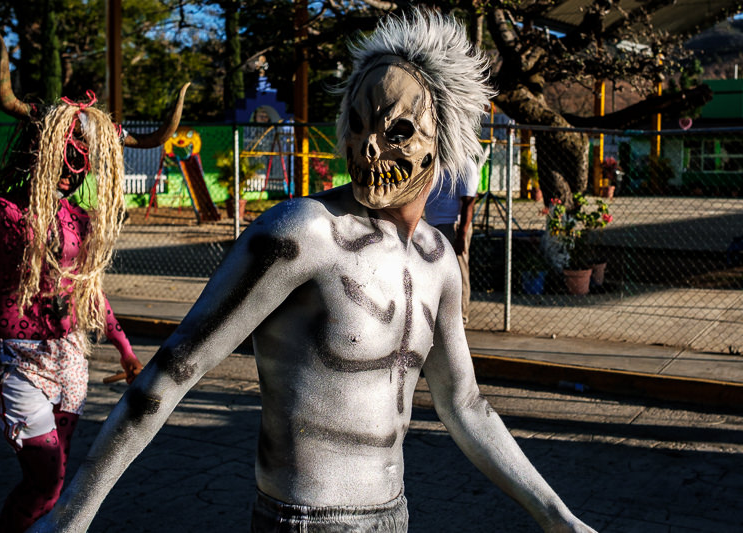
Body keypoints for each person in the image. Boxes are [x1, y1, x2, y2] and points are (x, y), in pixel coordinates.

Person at [31, 10, 595, 533]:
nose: (369, 147)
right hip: (303, 520)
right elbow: (175, 371)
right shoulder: (303, 232)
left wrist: (556, 516)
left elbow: (465, 405)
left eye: (397, 131)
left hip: (392, 516)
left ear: (441, 142)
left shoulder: (437, 260)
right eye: (356, 123)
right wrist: (71, 518)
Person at [0, 30, 187, 533]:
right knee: (46, 475)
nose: (74, 167)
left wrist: (121, 345)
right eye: (66, 152)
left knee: (51, 487)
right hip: (12, 356)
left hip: (71, 355)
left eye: (83, 157)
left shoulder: (80, 220)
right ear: (41, 148)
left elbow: (88, 287)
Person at [424, 157, 480, 323]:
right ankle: (438, 314)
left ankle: (460, 316)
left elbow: (469, 202)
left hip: (453, 226)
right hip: (433, 224)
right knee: (435, 272)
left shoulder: (465, 164)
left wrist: (461, 235)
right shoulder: (437, 161)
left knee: (458, 272)